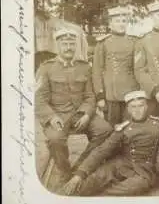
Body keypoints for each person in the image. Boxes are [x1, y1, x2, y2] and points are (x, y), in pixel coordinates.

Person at [35, 28, 113, 183]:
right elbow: (39, 99)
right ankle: (65, 172)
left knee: (105, 130)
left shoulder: (84, 67)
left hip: (81, 113)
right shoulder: (46, 68)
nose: (69, 47)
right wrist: (51, 117)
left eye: (72, 43)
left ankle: (82, 166)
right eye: (65, 44)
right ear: (57, 46)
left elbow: (90, 96)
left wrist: (86, 114)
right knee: (55, 139)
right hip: (58, 115)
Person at [62, 90, 159, 196]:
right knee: (92, 181)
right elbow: (102, 150)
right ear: (128, 109)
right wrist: (80, 174)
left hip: (143, 170)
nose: (137, 110)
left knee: (128, 189)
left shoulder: (158, 125)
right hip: (121, 164)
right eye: (133, 107)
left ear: (147, 106)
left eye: (140, 106)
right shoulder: (124, 128)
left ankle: (104, 199)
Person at [92, 6, 140, 125]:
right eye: (117, 21)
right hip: (111, 94)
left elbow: (139, 67)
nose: (121, 24)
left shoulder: (135, 41)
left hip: (131, 91)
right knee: (112, 129)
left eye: (124, 21)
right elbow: (97, 71)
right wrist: (100, 95)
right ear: (110, 24)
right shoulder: (103, 43)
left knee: (130, 127)